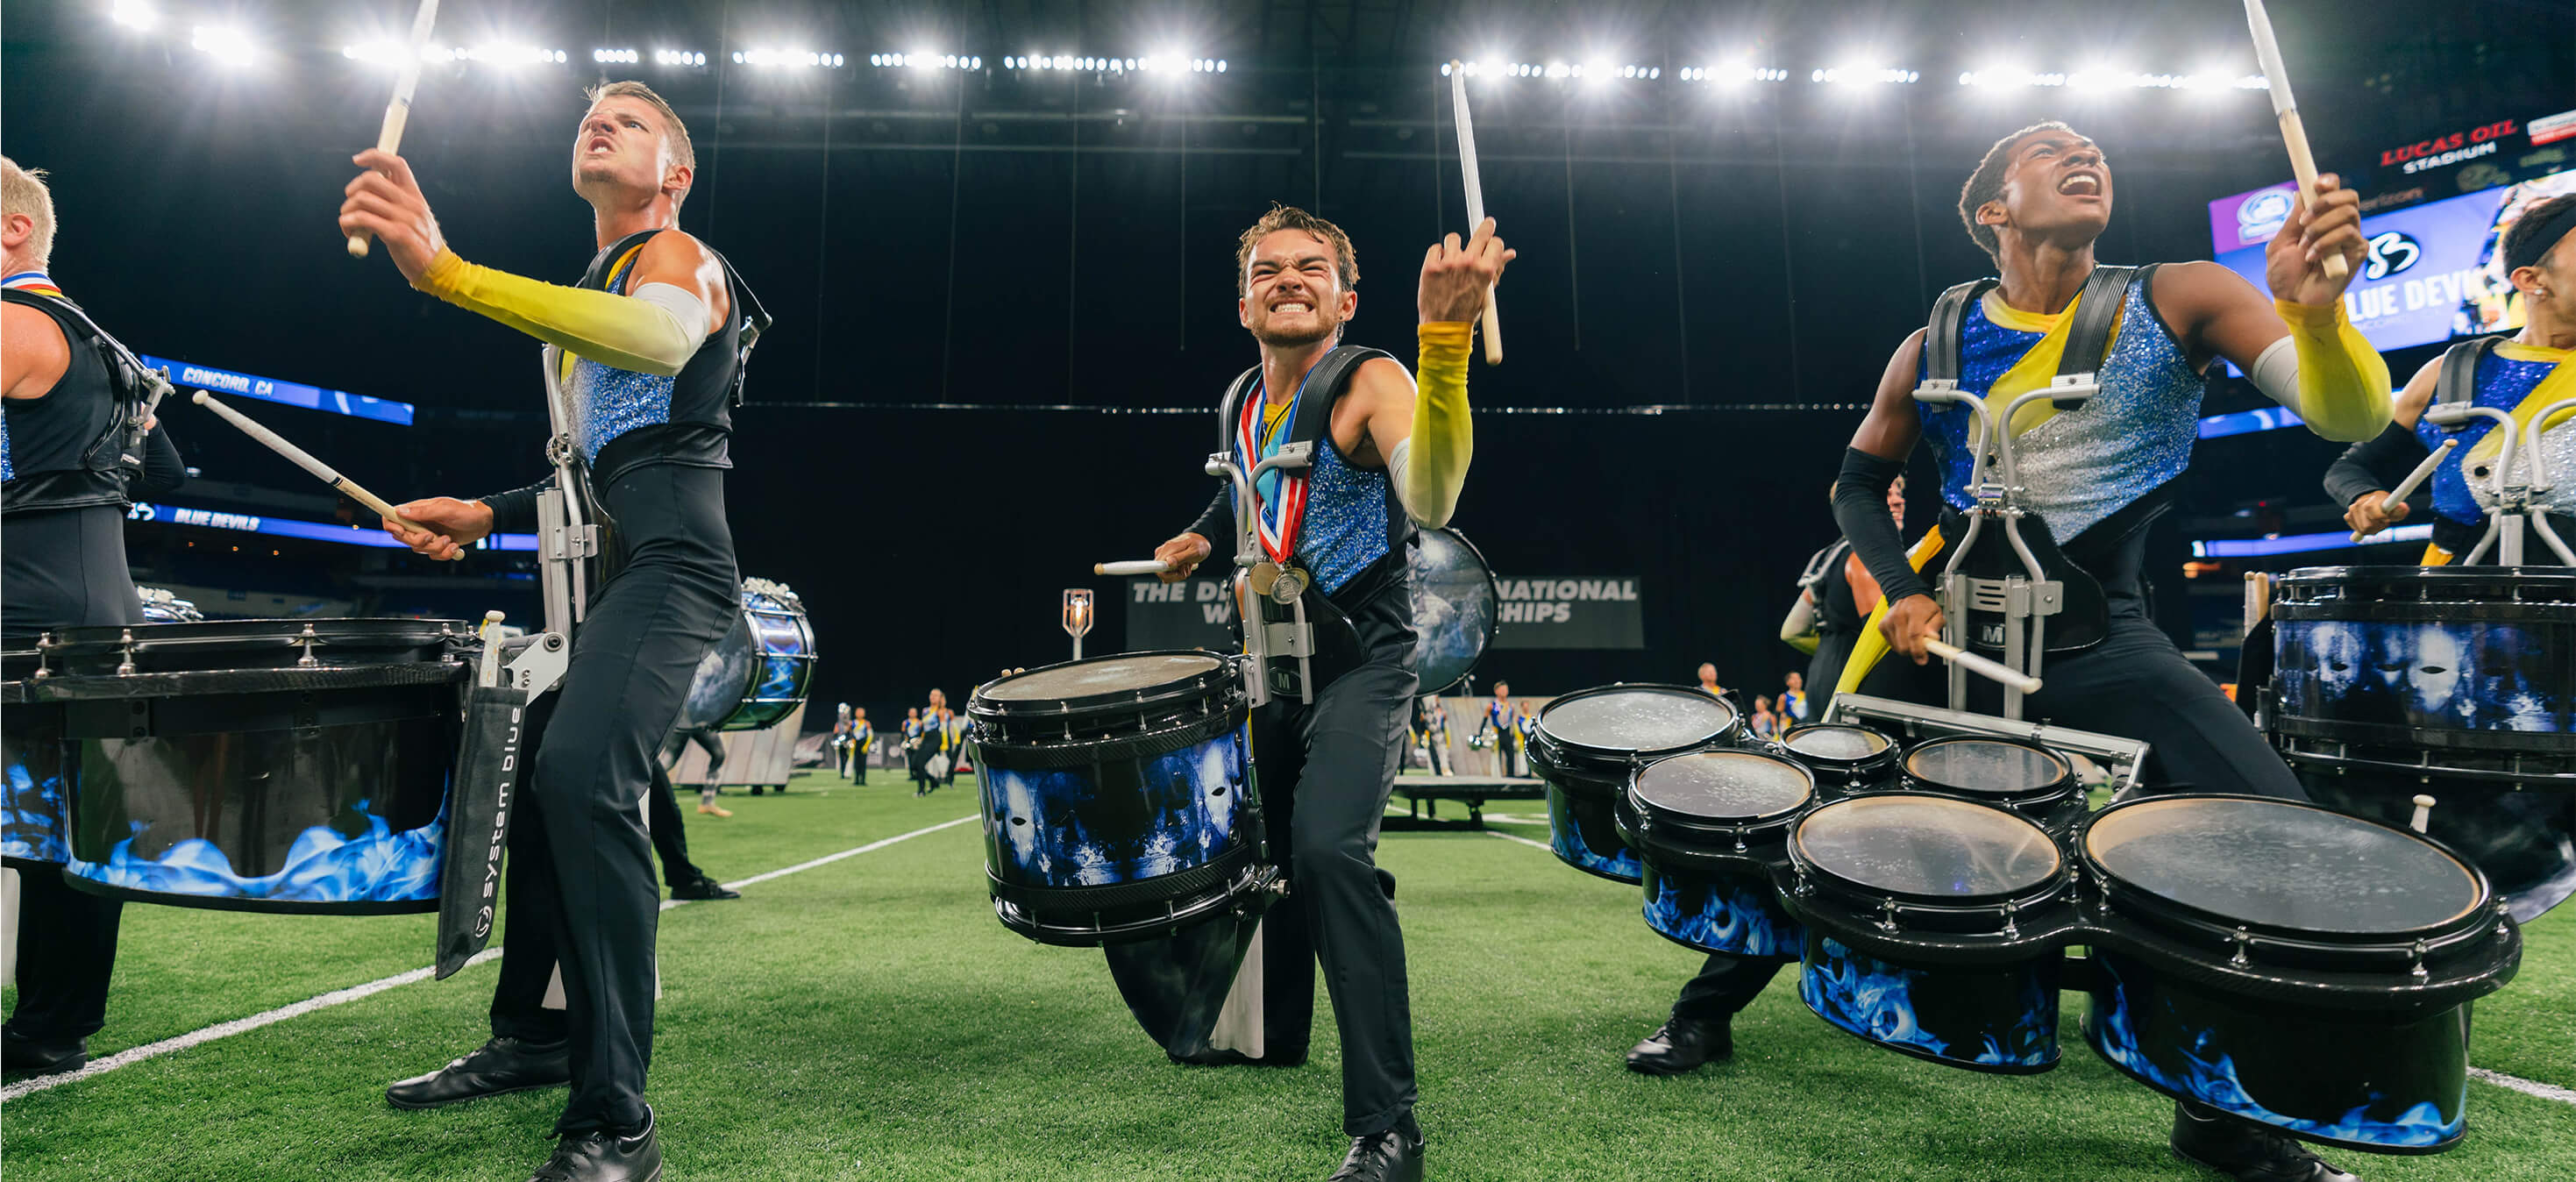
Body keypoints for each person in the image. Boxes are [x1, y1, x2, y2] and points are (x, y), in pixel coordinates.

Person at [1628, 120, 2388, 1182]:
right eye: (2050, 149)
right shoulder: (1933, 336)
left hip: (2102, 640)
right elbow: (1854, 483)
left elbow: (2341, 409)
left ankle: (2219, 1113)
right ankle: (1704, 1011)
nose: (2088, 156)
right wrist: (1898, 594)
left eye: (2096, 149)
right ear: (1993, 209)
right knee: (1806, 816)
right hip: (1948, 644)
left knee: (2272, 834)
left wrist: (2316, 315)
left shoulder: (2179, 294)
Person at [352, 81, 762, 1182]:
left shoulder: (680, 260)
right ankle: (533, 1037)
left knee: (583, 780)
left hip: (674, 571)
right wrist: (488, 513)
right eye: (593, 115)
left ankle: (617, 1114)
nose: (601, 122)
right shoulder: (592, 289)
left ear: (675, 174)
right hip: (611, 567)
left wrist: (448, 272)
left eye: (631, 121)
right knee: (537, 778)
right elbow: (593, 472)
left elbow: (663, 345)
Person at [1144, 203, 1507, 1182]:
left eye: (1311, 268)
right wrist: (1200, 535)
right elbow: (1251, 495)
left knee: (1328, 853)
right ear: (1243, 302)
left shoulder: (1372, 379)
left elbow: (1431, 495)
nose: (1288, 280)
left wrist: (1447, 341)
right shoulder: (1239, 401)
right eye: (1268, 270)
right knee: (1239, 849)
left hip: (1362, 654)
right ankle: (1267, 1031)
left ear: (1346, 298)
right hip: (1268, 659)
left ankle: (1390, 1128)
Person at [1, 156, 186, 1077]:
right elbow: (172, 473)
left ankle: (44, 1025)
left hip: (25, 601)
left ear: (13, 231)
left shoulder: (12, 320)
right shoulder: (101, 339)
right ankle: (48, 1025)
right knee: (59, 830)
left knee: (51, 826)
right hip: (92, 596)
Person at [2333, 193, 2576, 564]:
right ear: (2531, 280)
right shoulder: (2453, 371)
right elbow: (2350, 467)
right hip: (2459, 602)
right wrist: (2365, 498)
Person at [1778, 476, 1909, 721]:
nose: (1898, 501)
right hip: (1853, 695)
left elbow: (1791, 631)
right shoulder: (1865, 560)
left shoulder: (1827, 559)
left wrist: (1834, 654)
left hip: (1820, 682)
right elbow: (1882, 640)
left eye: (1899, 494)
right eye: (1887, 494)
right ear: (1855, 506)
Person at [843, 707, 874, 783]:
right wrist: (849, 741)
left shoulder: (866, 723)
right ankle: (856, 780)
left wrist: (866, 745)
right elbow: (847, 733)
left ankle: (863, 780)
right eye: (858, 712)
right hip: (855, 744)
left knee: (863, 763)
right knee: (856, 762)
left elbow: (870, 735)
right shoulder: (852, 723)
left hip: (863, 744)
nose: (859, 714)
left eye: (861, 712)